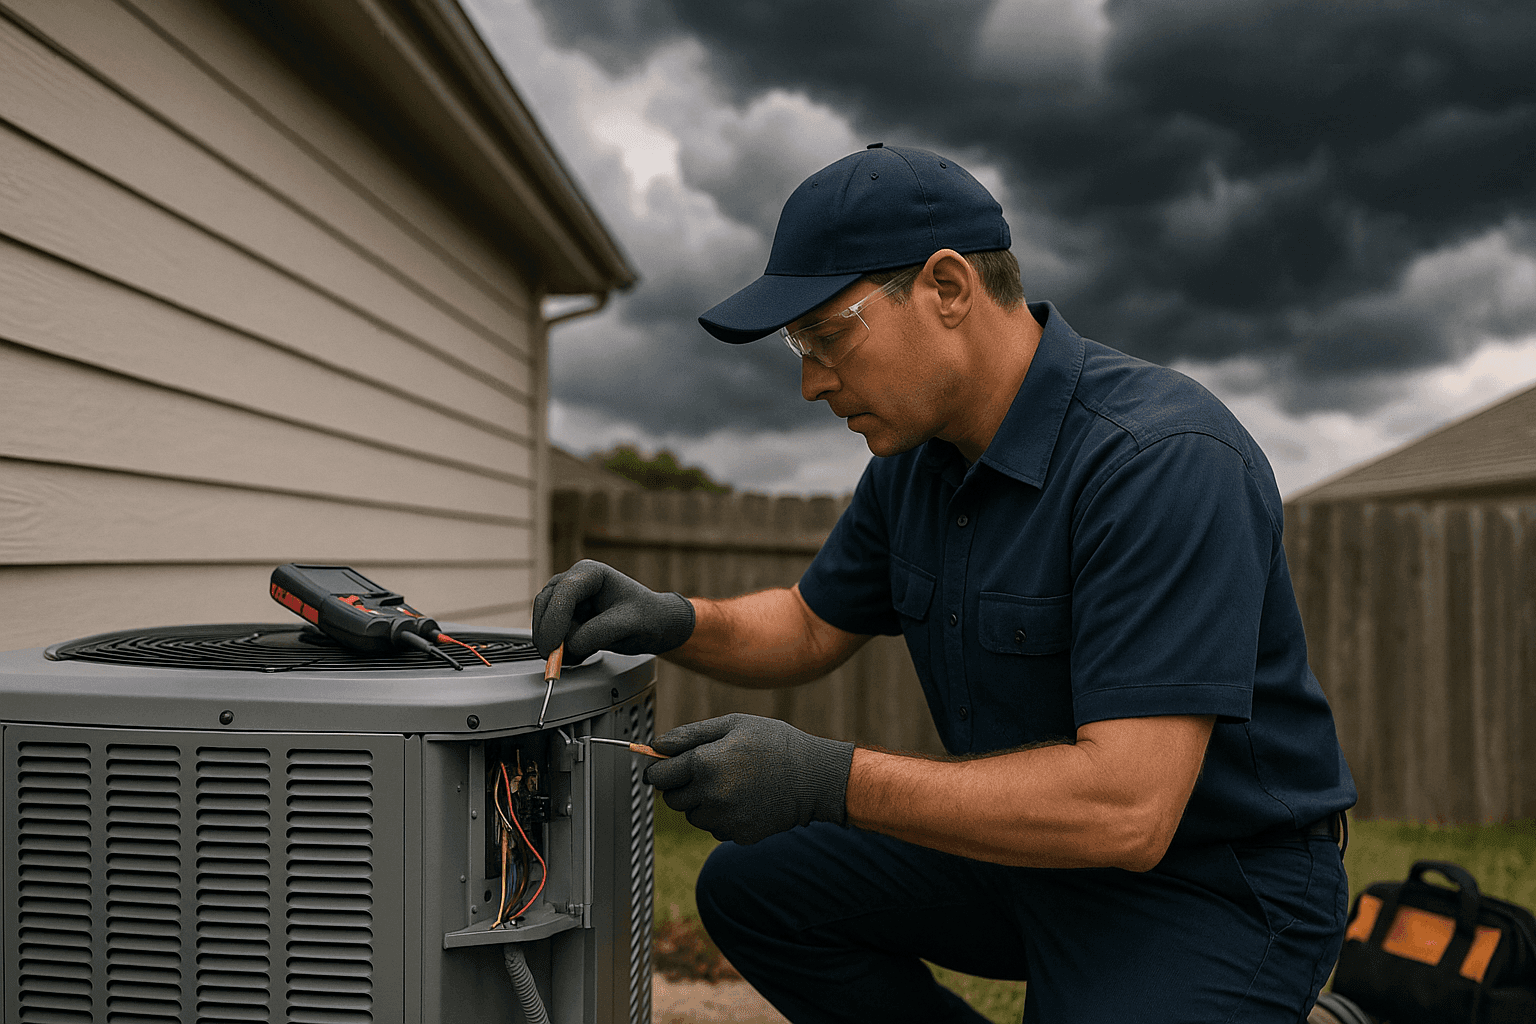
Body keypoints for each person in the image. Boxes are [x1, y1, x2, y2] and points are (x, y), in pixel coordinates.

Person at [532, 143, 1357, 1023]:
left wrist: (829, 779)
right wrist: (672, 619)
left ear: (950, 287)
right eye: (797, 347)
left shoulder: (1162, 461)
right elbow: (812, 625)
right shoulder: (918, 463)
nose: (811, 382)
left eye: (826, 333)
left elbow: (1128, 809)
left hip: (1211, 882)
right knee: (756, 890)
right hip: (1030, 854)